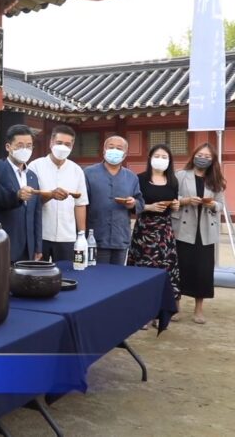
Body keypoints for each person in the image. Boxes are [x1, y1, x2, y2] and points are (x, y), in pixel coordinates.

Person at [127, 144, 181, 327]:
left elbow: (175, 203)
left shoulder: (173, 180)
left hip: (165, 231)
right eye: (157, 155)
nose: (160, 159)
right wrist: (148, 207)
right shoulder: (140, 179)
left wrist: (175, 205)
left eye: (164, 156)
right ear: (150, 158)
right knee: (143, 272)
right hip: (145, 231)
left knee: (163, 273)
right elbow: (133, 204)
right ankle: (143, 314)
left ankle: (160, 313)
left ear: (169, 160)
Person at [173, 143, 226, 325]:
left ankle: (199, 309)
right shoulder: (180, 175)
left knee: (203, 270)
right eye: (200, 154)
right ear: (194, 155)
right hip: (183, 228)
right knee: (180, 267)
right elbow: (172, 198)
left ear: (212, 161)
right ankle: (176, 307)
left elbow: (221, 205)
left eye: (207, 156)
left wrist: (212, 205)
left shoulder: (216, 180)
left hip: (205, 230)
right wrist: (186, 200)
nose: (202, 158)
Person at [28, 125, 89, 262]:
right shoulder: (35, 166)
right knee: (39, 276)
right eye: (59, 143)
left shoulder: (76, 170)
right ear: (51, 143)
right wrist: (50, 195)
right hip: (41, 234)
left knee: (65, 276)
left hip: (67, 236)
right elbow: (30, 200)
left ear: (72, 146)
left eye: (67, 144)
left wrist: (81, 235)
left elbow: (80, 204)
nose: (63, 147)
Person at [84, 135, 144, 265]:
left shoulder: (131, 177)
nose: (115, 150)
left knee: (117, 277)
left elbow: (140, 202)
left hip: (120, 236)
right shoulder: (89, 173)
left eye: (119, 148)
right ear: (104, 150)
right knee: (96, 275)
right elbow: (81, 203)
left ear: (125, 154)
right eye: (111, 147)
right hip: (96, 235)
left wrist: (133, 204)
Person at [0, 125, 42, 262]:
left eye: (29, 146)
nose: (25, 150)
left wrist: (38, 247)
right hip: (5, 245)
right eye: (20, 145)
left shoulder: (32, 176)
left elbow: (37, 213)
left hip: (29, 248)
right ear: (8, 147)